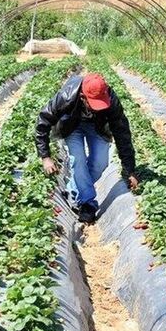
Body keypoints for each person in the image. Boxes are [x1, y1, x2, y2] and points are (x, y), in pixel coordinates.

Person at [35, 73, 139, 224]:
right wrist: (45, 157)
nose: (97, 107)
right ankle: (88, 204)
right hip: (72, 125)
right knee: (78, 159)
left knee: (100, 162)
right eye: (93, 103)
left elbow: (122, 133)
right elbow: (43, 122)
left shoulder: (111, 99)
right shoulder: (66, 96)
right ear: (83, 97)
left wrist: (129, 170)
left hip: (96, 126)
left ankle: (72, 189)